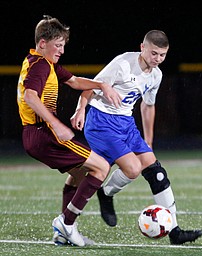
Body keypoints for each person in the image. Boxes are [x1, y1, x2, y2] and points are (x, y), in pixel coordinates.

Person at [70, 30, 202, 244]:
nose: (157, 59)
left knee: (156, 172)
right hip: (101, 121)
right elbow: (91, 86)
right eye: (154, 53)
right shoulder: (123, 63)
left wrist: (148, 141)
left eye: (162, 55)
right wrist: (80, 109)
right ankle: (105, 194)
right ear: (142, 47)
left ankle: (175, 232)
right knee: (132, 169)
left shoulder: (156, 75)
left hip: (126, 124)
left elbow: (148, 106)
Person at [16, 15, 121, 247]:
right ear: (42, 43)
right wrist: (56, 124)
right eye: (58, 45)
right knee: (102, 166)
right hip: (43, 133)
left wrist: (101, 84)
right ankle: (67, 222)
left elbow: (74, 81)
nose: (62, 50)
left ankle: (64, 231)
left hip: (35, 135)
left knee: (81, 172)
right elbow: (30, 96)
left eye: (64, 45)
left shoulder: (41, 62)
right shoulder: (41, 65)